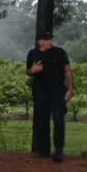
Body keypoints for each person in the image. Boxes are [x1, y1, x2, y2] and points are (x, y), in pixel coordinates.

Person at [26, 30, 73, 163]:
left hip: (58, 92)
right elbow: (28, 71)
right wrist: (32, 70)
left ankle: (58, 150)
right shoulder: (33, 54)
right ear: (40, 41)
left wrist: (70, 89)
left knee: (58, 120)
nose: (50, 42)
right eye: (47, 39)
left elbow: (67, 71)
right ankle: (44, 150)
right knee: (42, 121)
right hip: (40, 92)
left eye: (50, 39)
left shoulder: (59, 52)